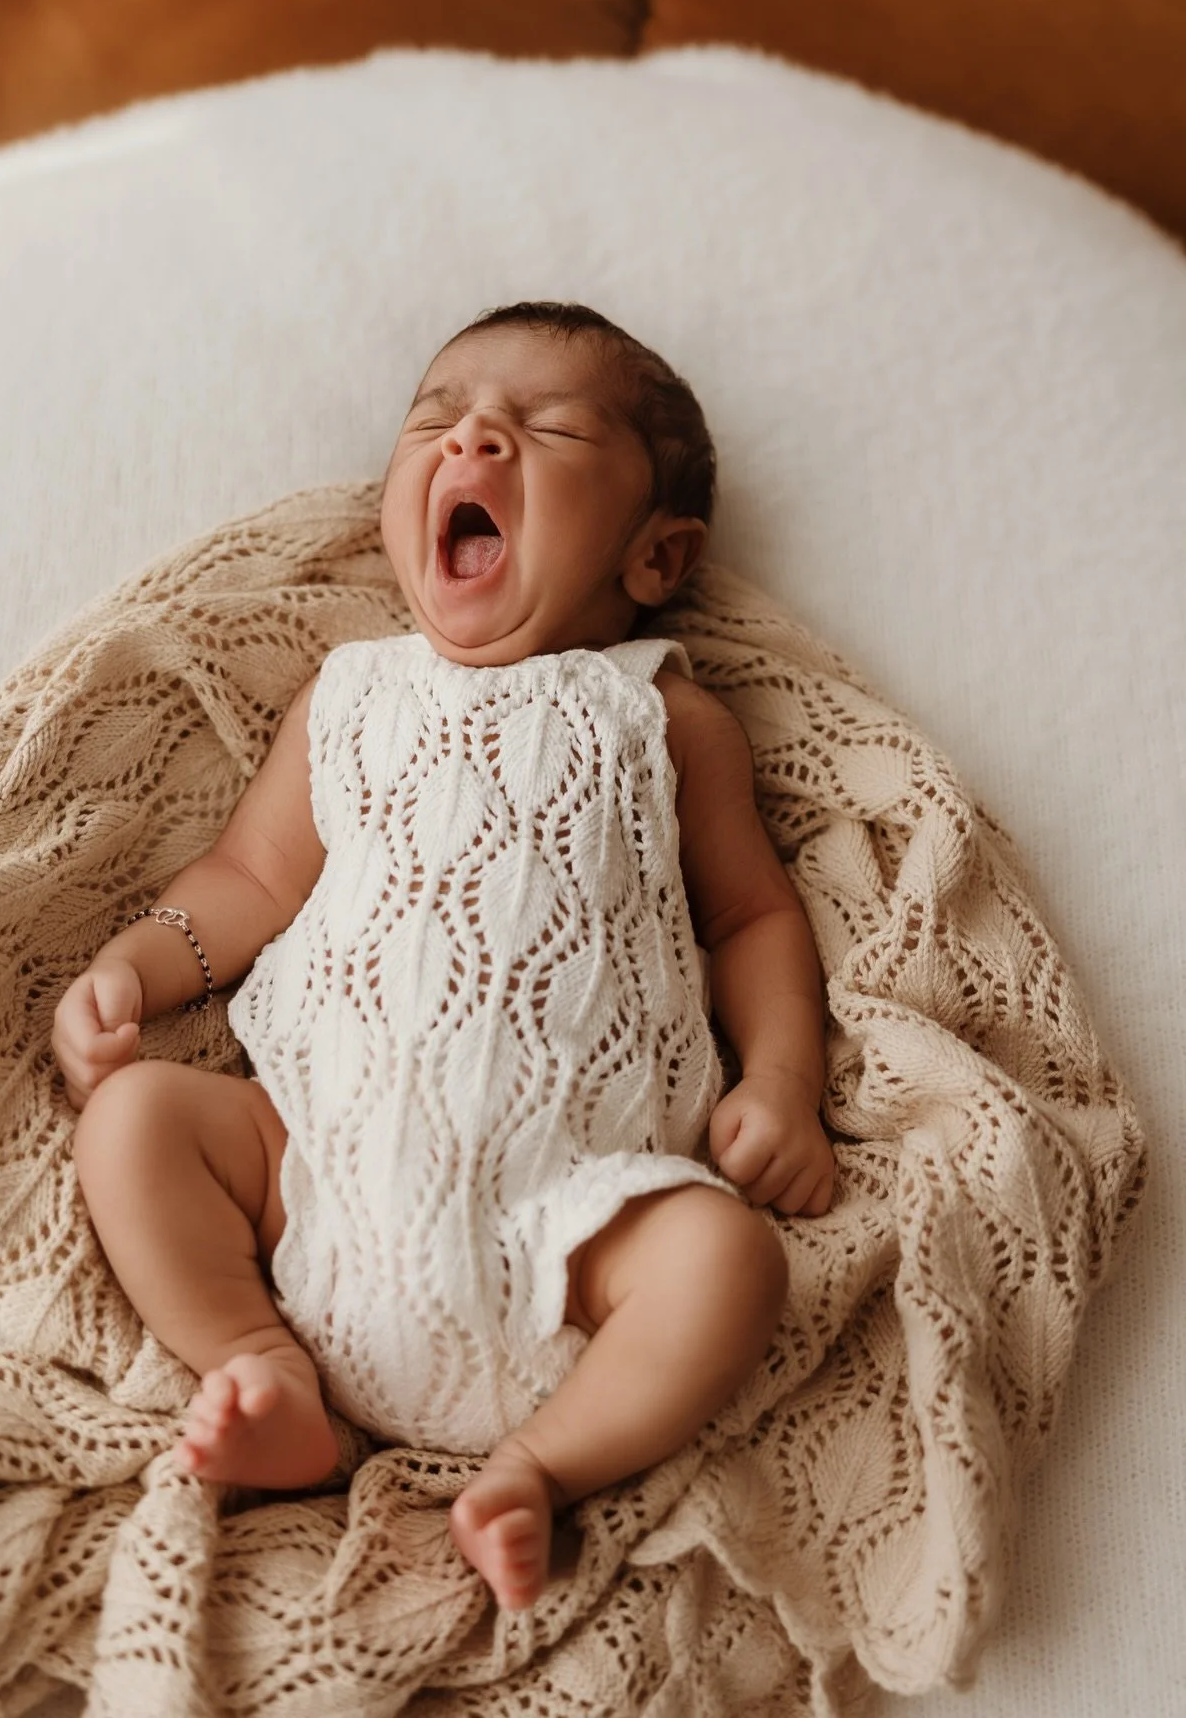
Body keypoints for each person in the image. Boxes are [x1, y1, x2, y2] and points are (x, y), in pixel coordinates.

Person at [55, 302, 835, 1610]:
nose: (474, 434)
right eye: (439, 418)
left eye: (548, 428)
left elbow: (752, 917)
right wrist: (139, 966)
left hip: (577, 1226)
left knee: (729, 1258)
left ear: (658, 555)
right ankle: (265, 1370)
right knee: (134, 1120)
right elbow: (250, 880)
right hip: (311, 1175)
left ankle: (538, 1464)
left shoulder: (661, 715)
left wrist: (785, 1083)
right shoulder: (353, 698)